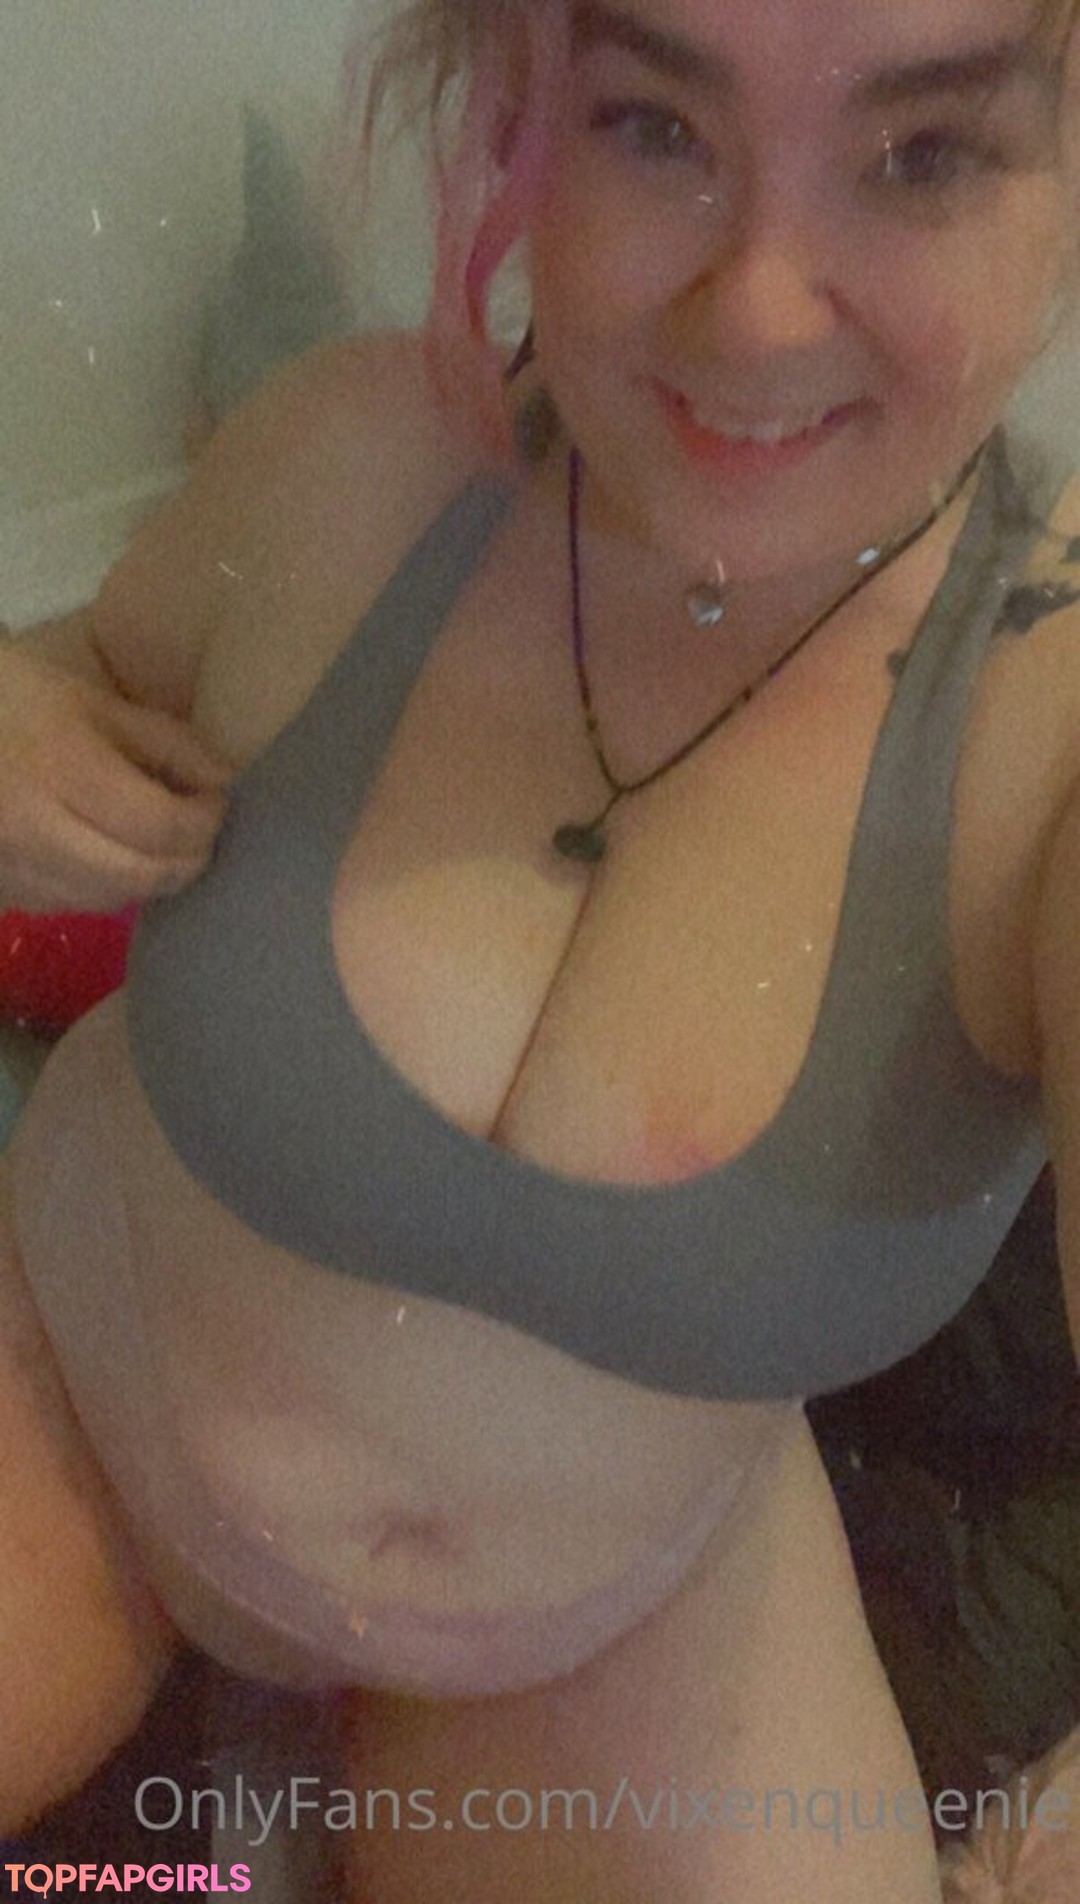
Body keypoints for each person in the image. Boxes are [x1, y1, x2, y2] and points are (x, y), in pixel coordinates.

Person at [1, 0, 1079, 1896]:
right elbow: (74, 681)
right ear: (513, 117)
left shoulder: (1043, 735)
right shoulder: (347, 460)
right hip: (81, 1392)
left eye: (921, 156)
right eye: (656, 127)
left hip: (600, 1618)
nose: (759, 312)